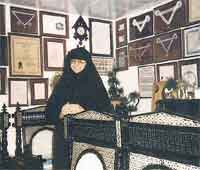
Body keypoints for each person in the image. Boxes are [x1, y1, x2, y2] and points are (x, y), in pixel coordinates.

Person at [46, 47, 113, 169]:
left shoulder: (95, 83)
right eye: (73, 61)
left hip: (89, 138)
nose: (76, 65)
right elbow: (48, 113)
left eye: (81, 62)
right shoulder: (63, 83)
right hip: (64, 139)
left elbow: (106, 113)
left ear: (87, 64)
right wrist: (61, 112)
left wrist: (84, 111)